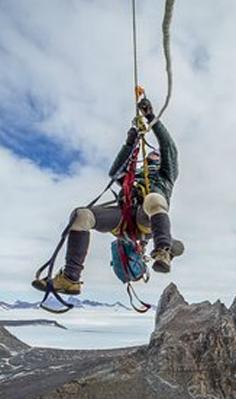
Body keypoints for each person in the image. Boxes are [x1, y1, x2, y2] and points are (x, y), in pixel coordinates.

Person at [33, 96, 181, 296]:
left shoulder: (166, 175)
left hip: (146, 218)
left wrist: (150, 117)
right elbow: (115, 173)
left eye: (156, 156)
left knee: (154, 199)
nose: (152, 156)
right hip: (124, 216)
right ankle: (70, 278)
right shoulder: (132, 178)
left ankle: (163, 250)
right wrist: (129, 143)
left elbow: (168, 147)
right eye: (150, 156)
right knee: (81, 216)